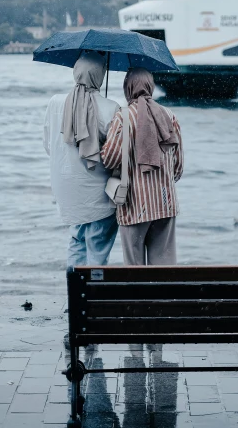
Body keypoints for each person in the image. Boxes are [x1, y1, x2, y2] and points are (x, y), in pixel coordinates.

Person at [43, 51, 119, 267]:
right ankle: (94, 295)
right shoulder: (111, 107)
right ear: (100, 75)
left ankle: (76, 294)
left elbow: (49, 146)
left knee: (76, 241)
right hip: (100, 195)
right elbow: (115, 156)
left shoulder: (55, 103)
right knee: (98, 247)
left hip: (69, 192)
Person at [101, 68, 183, 266]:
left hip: (134, 203)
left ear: (127, 87)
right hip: (165, 202)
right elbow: (178, 167)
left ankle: (140, 297)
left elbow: (110, 159)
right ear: (150, 86)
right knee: (163, 268)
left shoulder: (123, 117)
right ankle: (161, 297)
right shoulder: (169, 116)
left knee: (135, 268)